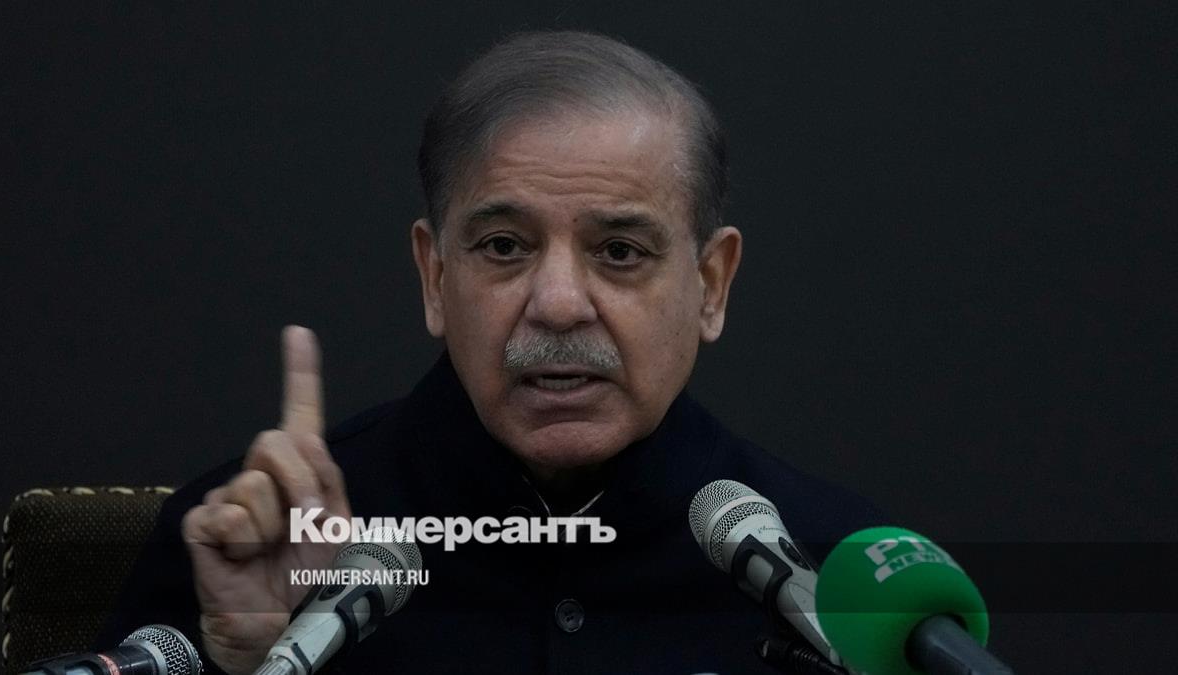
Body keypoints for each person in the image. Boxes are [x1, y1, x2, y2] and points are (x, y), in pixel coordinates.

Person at [100, 30, 883, 674]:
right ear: (435, 277)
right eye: (505, 246)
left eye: (619, 250)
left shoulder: (840, 578)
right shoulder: (250, 553)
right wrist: (241, 658)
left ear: (710, 285)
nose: (559, 303)